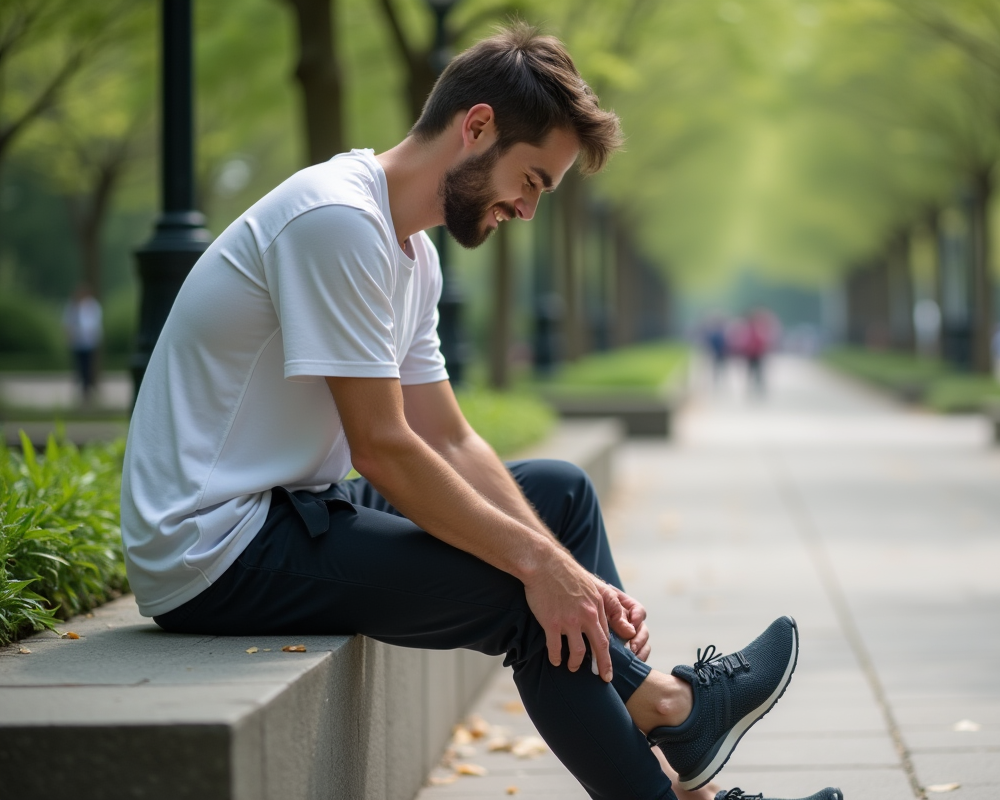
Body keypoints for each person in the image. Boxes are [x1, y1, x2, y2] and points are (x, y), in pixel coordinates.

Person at [120, 25, 839, 800]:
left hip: (296, 506)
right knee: (532, 603)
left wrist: (559, 564)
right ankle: (670, 717)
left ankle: (683, 748)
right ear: (477, 127)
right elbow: (383, 447)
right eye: (531, 180)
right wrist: (543, 570)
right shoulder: (335, 220)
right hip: (215, 546)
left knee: (561, 495)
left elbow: (451, 439)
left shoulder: (413, 255)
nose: (527, 209)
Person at [63, 285, 103, 405]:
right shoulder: (73, 306)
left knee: (88, 366)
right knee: (79, 367)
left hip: (89, 343)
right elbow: (67, 323)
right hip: (78, 343)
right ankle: (83, 390)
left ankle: (88, 389)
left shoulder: (93, 306)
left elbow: (95, 324)